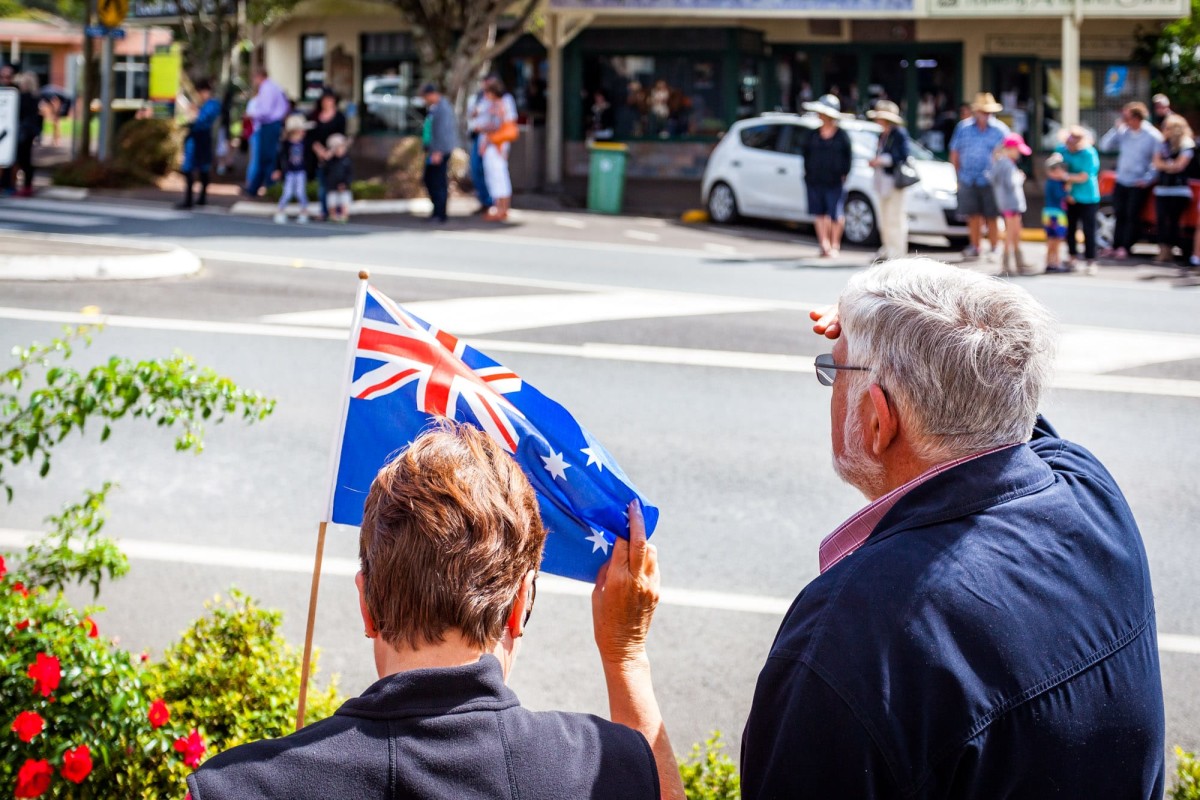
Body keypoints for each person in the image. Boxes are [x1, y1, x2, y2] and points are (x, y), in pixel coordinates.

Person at [740, 259, 1165, 799]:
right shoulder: (1090, 493)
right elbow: (1009, 428)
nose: (830, 380)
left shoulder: (851, 633)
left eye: (833, 369)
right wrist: (888, 325)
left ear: (878, 421)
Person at [186, 422, 685, 800]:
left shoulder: (233, 788)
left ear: (366, 605)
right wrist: (626, 655)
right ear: (518, 607)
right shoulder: (603, 766)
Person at [1098, 102, 1162, 259]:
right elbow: (1104, 146)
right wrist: (1115, 129)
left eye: (1127, 117)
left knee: (1132, 216)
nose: (1124, 120)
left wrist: (1147, 179)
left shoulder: (1152, 135)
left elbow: (1157, 160)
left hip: (1138, 182)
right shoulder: (1123, 132)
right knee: (1119, 214)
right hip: (1122, 179)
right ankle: (1115, 246)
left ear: (1137, 117)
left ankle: (1126, 247)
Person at [950, 92, 1010, 259]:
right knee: (973, 215)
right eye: (983, 111)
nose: (986, 115)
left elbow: (1007, 155)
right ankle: (975, 246)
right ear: (976, 111)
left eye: (988, 112)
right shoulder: (964, 127)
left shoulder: (1000, 130)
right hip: (968, 177)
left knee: (992, 215)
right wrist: (957, 176)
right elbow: (955, 152)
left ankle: (994, 247)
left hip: (991, 180)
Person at [801, 94, 853, 258]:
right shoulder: (813, 135)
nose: (820, 116)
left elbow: (848, 158)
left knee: (836, 213)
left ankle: (834, 244)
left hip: (834, 180)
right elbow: (806, 155)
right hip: (815, 180)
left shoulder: (842, 136)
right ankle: (824, 244)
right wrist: (808, 173)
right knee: (820, 213)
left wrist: (844, 174)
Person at [867, 100, 911, 261]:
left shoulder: (898, 134)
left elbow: (903, 156)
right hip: (882, 181)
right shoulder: (882, 135)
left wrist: (882, 160)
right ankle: (886, 248)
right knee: (884, 218)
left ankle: (897, 252)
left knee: (895, 217)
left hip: (894, 181)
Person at [1150, 114, 1194, 264]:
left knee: (1174, 222)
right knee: (1161, 221)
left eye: (1168, 128)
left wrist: (1167, 166)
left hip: (1179, 190)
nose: (1165, 130)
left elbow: (1180, 166)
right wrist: (1169, 166)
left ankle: (1173, 251)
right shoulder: (1162, 144)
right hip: (1162, 188)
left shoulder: (1186, 144)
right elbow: (1156, 163)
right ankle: (1163, 251)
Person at [1057, 125, 1101, 274]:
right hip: (1070, 197)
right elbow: (1055, 168)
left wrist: (1066, 177)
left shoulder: (1089, 153)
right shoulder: (1061, 151)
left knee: (1089, 230)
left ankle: (1091, 260)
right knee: (1071, 229)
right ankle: (1072, 257)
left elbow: (1084, 176)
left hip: (1088, 197)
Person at [990, 132, 1033, 275]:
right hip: (1010, 203)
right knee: (1011, 233)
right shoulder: (1006, 164)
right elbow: (1011, 183)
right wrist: (1020, 177)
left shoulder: (1001, 163)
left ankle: (1018, 261)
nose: (1019, 154)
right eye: (1017, 150)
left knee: (1015, 233)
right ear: (1009, 149)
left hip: (1008, 203)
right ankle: (1006, 263)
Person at [243, 67, 290, 196]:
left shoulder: (267, 88)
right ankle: (258, 187)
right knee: (266, 157)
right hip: (272, 124)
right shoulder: (274, 87)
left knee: (266, 157)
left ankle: (266, 187)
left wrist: (251, 115)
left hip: (269, 124)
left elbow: (265, 111)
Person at [177, 78, 221, 209]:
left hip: (200, 137)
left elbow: (200, 120)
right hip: (198, 137)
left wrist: (193, 113)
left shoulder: (211, 105)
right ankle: (196, 198)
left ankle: (194, 199)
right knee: (197, 167)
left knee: (196, 167)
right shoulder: (207, 104)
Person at [478, 78, 516, 222]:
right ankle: (498, 208)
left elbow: (500, 123)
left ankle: (503, 208)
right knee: (493, 177)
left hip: (497, 144)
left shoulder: (503, 102)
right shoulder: (492, 104)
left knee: (499, 176)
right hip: (491, 144)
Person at [306, 89, 347, 221]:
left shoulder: (340, 117)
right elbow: (310, 136)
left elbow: (342, 137)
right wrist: (320, 151)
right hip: (318, 157)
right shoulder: (314, 116)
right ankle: (324, 210)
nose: (327, 102)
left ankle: (337, 211)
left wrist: (331, 152)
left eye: (330, 99)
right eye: (325, 100)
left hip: (335, 156)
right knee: (323, 185)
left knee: (337, 185)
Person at [421, 83, 457, 224]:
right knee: (429, 179)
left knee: (438, 181)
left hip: (439, 151)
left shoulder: (443, 108)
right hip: (433, 150)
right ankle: (436, 211)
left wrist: (438, 152)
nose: (425, 99)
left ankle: (440, 214)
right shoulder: (435, 108)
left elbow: (443, 132)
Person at [273, 114, 314, 224]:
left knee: (300, 192)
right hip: (290, 172)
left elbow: (310, 158)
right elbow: (279, 157)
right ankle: (280, 211)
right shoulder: (285, 144)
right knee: (287, 192)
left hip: (301, 171)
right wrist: (278, 170)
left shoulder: (306, 143)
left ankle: (304, 212)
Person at [466, 83, 495, 214]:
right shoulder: (475, 99)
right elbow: (470, 116)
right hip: (478, 137)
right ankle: (485, 200)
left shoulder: (497, 100)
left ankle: (492, 203)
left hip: (491, 139)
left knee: (490, 171)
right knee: (476, 169)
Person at [13, 71, 42, 197]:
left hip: (23, 132)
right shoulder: (35, 97)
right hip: (29, 132)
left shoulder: (24, 98)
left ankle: (26, 186)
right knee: (26, 159)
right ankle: (27, 186)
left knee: (23, 159)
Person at [1042, 152, 1071, 273]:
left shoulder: (1050, 182)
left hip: (1049, 213)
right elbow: (1060, 195)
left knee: (1051, 239)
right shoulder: (1055, 183)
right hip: (1056, 214)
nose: (1063, 171)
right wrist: (1068, 188)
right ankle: (1055, 262)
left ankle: (1050, 262)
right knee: (1056, 239)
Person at [324, 133, 353, 224]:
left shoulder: (347, 160)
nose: (340, 150)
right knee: (332, 201)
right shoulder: (330, 161)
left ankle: (344, 215)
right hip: (332, 186)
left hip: (344, 186)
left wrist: (345, 183)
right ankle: (333, 216)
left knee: (345, 201)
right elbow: (326, 172)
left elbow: (350, 174)